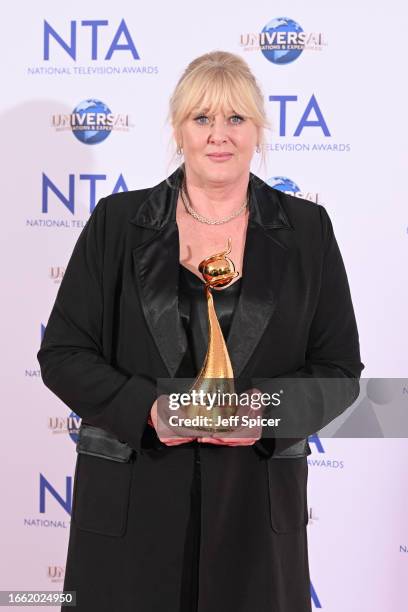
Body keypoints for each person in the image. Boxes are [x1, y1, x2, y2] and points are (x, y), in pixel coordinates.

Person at [37, 50, 364, 612]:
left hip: (255, 516)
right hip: (131, 509)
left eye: (236, 118)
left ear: (259, 130)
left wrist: (264, 413)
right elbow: (64, 353)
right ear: (178, 129)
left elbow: (340, 373)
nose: (219, 135)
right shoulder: (118, 222)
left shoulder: (308, 230)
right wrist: (148, 408)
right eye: (202, 118)